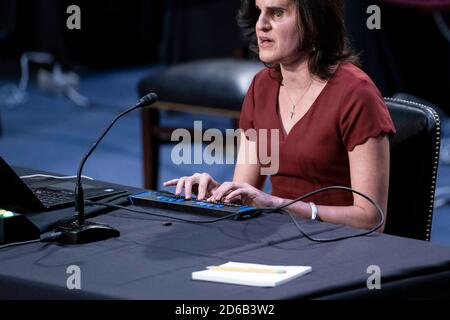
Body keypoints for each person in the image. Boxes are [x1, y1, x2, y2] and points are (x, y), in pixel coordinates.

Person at [164, 0, 396, 231]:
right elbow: (244, 192)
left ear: (313, 22)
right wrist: (218, 193)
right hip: (279, 238)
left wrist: (282, 206)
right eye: (259, 12)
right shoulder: (261, 87)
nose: (261, 24)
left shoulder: (356, 94)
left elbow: (371, 220)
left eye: (277, 13)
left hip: (338, 245)